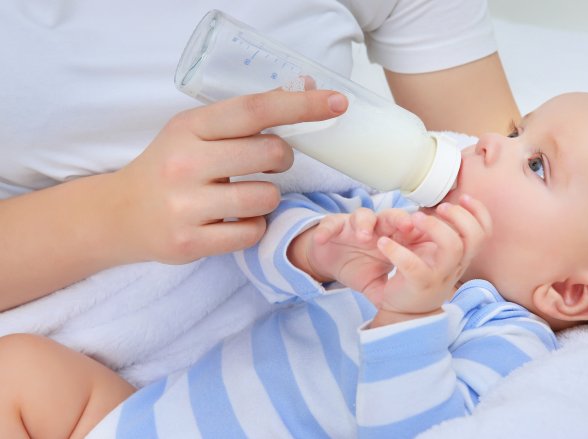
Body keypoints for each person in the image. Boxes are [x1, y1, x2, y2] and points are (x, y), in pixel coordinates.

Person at [0, 92, 588, 438]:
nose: (490, 144)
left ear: (567, 291)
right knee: (22, 369)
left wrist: (410, 313)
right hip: (134, 419)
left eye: (536, 163)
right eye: (514, 127)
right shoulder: (391, 210)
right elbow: (258, 242)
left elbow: (420, 427)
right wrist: (316, 248)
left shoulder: (502, 335)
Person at [0, 0, 520, 311]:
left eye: (529, 154)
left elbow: (527, 232)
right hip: (62, 324)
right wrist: (112, 215)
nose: (496, 143)